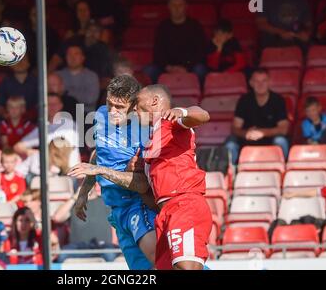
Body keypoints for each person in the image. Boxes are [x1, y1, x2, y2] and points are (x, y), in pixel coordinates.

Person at [68, 75, 176, 270]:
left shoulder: (145, 132)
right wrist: (83, 193)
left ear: (134, 106)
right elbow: (98, 155)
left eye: (120, 107)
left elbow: (142, 184)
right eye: (110, 104)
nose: (113, 111)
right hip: (117, 212)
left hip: (137, 204)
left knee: (161, 259)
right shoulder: (101, 115)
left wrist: (100, 170)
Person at [134, 84, 212, 270]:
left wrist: (182, 111)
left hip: (184, 205)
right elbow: (150, 196)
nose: (134, 110)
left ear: (154, 101)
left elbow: (202, 115)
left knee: (186, 267)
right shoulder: (148, 144)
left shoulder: (170, 121)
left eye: (137, 104)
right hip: (165, 213)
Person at [224, 69, 290, 164]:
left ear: (269, 82)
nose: (260, 84)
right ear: (251, 83)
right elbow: (235, 128)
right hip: (248, 139)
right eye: (257, 81)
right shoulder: (244, 100)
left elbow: (284, 129)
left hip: (270, 139)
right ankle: (231, 174)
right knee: (231, 143)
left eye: (264, 81)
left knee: (281, 141)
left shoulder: (278, 100)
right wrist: (246, 133)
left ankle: (281, 170)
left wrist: (262, 133)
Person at [144, 0, 207, 83]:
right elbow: (158, 52)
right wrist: (168, 67)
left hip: (190, 67)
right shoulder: (162, 27)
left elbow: (201, 51)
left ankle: (197, 94)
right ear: (168, 7)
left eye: (180, 5)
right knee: (149, 71)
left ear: (185, 6)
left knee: (200, 70)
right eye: (173, 5)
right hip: (167, 67)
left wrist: (186, 67)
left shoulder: (195, 26)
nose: (177, 8)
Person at [14, 93, 81, 168]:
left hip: (68, 172)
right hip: (46, 172)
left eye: (54, 104)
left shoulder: (70, 124)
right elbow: (17, 146)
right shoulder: (42, 126)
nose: (52, 107)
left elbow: (62, 150)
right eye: (49, 104)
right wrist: (28, 151)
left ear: (61, 106)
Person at [51, 22, 113, 89]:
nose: (93, 33)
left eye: (96, 31)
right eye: (90, 30)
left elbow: (107, 78)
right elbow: (56, 59)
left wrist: (93, 88)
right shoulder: (73, 41)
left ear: (100, 34)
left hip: (90, 87)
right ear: (85, 31)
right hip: (65, 82)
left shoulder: (103, 50)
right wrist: (48, 75)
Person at [56, 45, 100, 112]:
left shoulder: (92, 76)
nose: (72, 57)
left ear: (83, 57)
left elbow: (90, 99)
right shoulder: (57, 75)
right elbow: (53, 97)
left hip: (85, 115)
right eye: (69, 54)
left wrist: (66, 93)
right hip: (62, 115)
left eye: (76, 54)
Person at [0, 54, 38, 121]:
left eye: (23, 59)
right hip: (11, 122)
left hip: (34, 122)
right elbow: (1, 107)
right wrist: (6, 115)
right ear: (11, 64)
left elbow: (40, 106)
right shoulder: (4, 83)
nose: (20, 62)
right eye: (16, 60)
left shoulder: (37, 83)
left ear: (29, 64)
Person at [24, 5, 60, 69]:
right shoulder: (24, 34)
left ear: (46, 16)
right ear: (30, 16)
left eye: (40, 14)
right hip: (28, 70)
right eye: (34, 15)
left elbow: (55, 57)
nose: (37, 17)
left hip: (48, 69)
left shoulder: (53, 35)